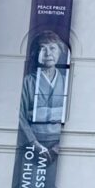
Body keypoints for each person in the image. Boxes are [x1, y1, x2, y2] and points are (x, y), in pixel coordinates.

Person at [20, 30, 70, 160]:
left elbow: (74, 114)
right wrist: (34, 144)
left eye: (52, 48)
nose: (48, 53)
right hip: (32, 144)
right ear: (36, 53)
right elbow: (21, 116)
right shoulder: (28, 81)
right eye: (43, 48)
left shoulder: (67, 81)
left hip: (59, 145)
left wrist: (58, 147)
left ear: (60, 52)